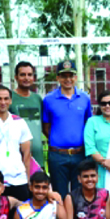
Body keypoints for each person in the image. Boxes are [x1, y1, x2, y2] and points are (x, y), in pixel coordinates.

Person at [42, 60, 93, 197]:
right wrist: (59, 141)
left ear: (76, 77)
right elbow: (46, 127)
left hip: (80, 154)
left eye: (71, 76)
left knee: (80, 194)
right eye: (64, 76)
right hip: (58, 155)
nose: (68, 79)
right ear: (58, 78)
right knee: (59, 195)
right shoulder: (48, 99)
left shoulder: (84, 98)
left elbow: (88, 124)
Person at [11, 61, 45, 168]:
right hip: (17, 158)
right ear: (16, 77)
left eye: (29, 75)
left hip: (38, 157)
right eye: (22, 75)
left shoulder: (37, 99)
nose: (26, 78)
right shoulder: (8, 98)